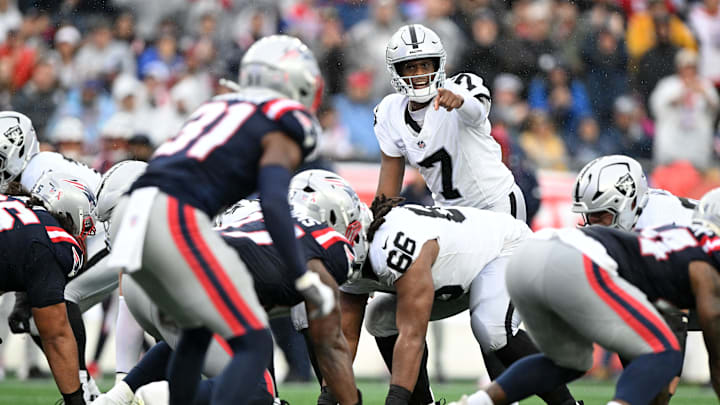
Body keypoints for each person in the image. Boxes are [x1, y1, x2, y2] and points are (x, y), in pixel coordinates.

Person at [107, 35, 348, 405]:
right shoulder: (285, 120)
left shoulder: (218, 105)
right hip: (173, 216)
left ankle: (160, 397)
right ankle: (160, 398)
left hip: (130, 212)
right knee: (253, 343)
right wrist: (301, 275)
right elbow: (272, 200)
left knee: (197, 331)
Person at [449, 187, 720, 405]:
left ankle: (476, 402)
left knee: (570, 361)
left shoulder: (673, 236)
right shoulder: (706, 255)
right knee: (665, 352)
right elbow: (713, 331)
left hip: (530, 254)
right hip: (576, 260)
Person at [95, 198, 362, 405]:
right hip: (188, 285)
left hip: (141, 282)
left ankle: (118, 397)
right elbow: (330, 345)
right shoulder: (333, 252)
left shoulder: (259, 218)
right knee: (259, 391)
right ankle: (163, 396)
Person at [339, 196, 579, 405]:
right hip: (452, 276)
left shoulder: (394, 247)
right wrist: (329, 398)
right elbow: (344, 338)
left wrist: (395, 400)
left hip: (504, 250)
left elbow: (412, 334)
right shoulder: (355, 258)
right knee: (379, 318)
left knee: (492, 329)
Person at [571, 154, 696, 404]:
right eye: (590, 216)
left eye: (601, 215)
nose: (593, 225)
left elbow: (673, 326)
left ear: (627, 204)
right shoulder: (640, 218)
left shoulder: (660, 229)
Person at [0, 110, 104, 401]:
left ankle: (84, 392)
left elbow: (67, 225)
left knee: (62, 298)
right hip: (98, 237)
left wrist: (25, 296)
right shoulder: (39, 167)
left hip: (111, 233)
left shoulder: (39, 171)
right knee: (40, 315)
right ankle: (88, 393)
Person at [375, 24, 526, 222]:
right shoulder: (389, 111)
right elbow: (389, 185)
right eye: (411, 67)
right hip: (449, 215)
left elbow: (478, 112)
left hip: (494, 205)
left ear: (438, 66)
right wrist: (377, 223)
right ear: (397, 72)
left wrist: (460, 102)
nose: (420, 73)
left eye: (425, 65)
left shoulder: (460, 88)